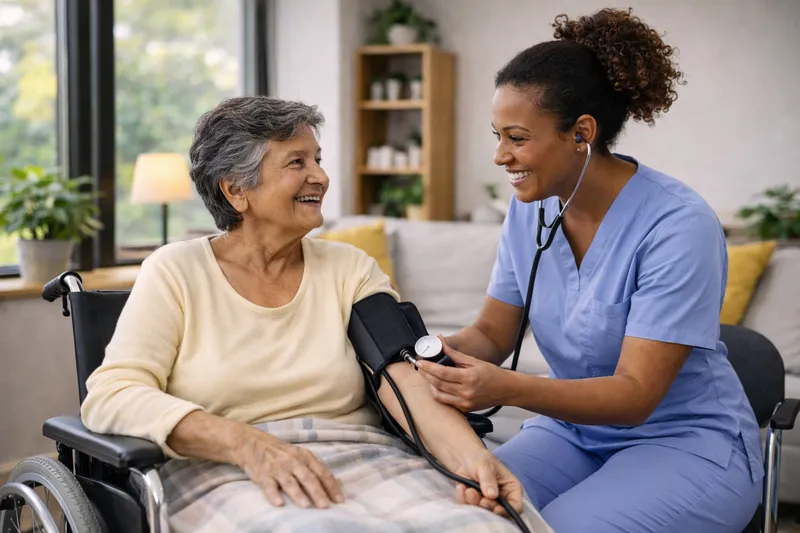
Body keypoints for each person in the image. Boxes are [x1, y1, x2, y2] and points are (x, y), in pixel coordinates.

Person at [80, 96, 545, 532]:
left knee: (486, 524)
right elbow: (112, 394)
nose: (320, 176)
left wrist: (473, 461)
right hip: (227, 469)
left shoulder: (350, 269)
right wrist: (247, 445)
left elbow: (406, 379)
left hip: (366, 457)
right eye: (296, 162)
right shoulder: (176, 270)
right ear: (236, 189)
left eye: (318, 159)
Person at [415, 8, 763, 533]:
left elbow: (634, 395)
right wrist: (436, 355)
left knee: (564, 527)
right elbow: (491, 332)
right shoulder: (529, 208)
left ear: (581, 133)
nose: (499, 156)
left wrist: (503, 386)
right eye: (497, 135)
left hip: (685, 441)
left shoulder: (676, 225)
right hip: (574, 431)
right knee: (464, 512)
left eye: (517, 137)